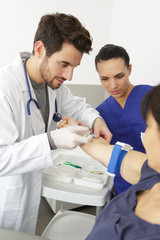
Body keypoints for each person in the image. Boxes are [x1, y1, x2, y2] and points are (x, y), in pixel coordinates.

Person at [0, 13, 112, 234]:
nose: (69, 75)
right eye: (64, 64)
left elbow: (78, 105)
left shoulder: (52, 84)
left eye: (74, 66)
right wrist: (50, 140)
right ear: (40, 49)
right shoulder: (5, 88)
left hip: (28, 196)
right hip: (6, 201)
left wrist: (97, 120)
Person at [62, 85, 160, 239]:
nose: (145, 136)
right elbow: (106, 151)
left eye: (148, 127)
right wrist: (78, 131)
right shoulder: (151, 172)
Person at [95, 44, 153, 195]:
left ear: (130, 70)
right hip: (124, 189)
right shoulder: (100, 114)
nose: (113, 85)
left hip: (155, 184)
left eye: (119, 76)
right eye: (105, 79)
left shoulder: (152, 98)